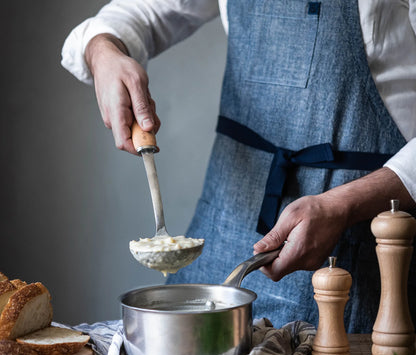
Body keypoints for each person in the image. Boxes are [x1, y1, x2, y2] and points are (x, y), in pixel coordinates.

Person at [62, 0, 416, 333]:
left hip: (362, 238)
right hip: (227, 227)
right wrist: (103, 49)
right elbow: (145, 11)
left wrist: (344, 205)